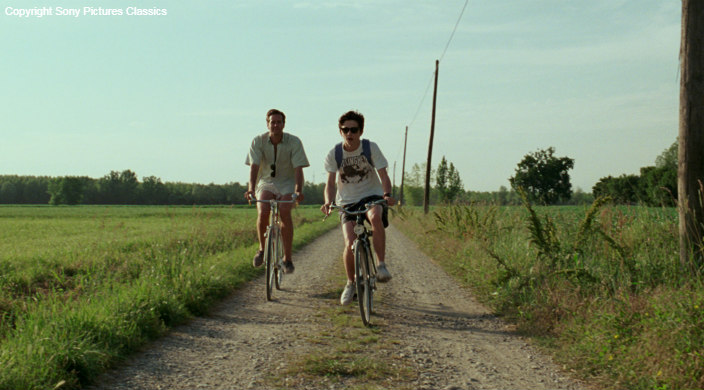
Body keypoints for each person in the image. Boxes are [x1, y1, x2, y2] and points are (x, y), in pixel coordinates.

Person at [321, 110, 396, 306]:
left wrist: (386, 195)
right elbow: (329, 183)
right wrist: (328, 202)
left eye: (353, 129)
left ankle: (380, 265)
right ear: (340, 131)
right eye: (345, 130)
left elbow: (383, 175)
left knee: (375, 217)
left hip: (371, 195)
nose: (349, 133)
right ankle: (351, 282)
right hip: (347, 201)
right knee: (349, 243)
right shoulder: (334, 154)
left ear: (360, 131)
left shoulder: (370, 148)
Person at [245, 109, 309, 274]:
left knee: (285, 210)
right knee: (263, 209)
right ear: (267, 124)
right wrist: (251, 188)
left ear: (283, 124)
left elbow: (298, 168)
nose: (275, 125)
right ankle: (261, 249)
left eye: (278, 122)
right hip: (266, 181)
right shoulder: (258, 141)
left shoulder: (294, 142)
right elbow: (254, 166)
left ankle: (287, 259)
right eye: (272, 122)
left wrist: (298, 190)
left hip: (287, 182)